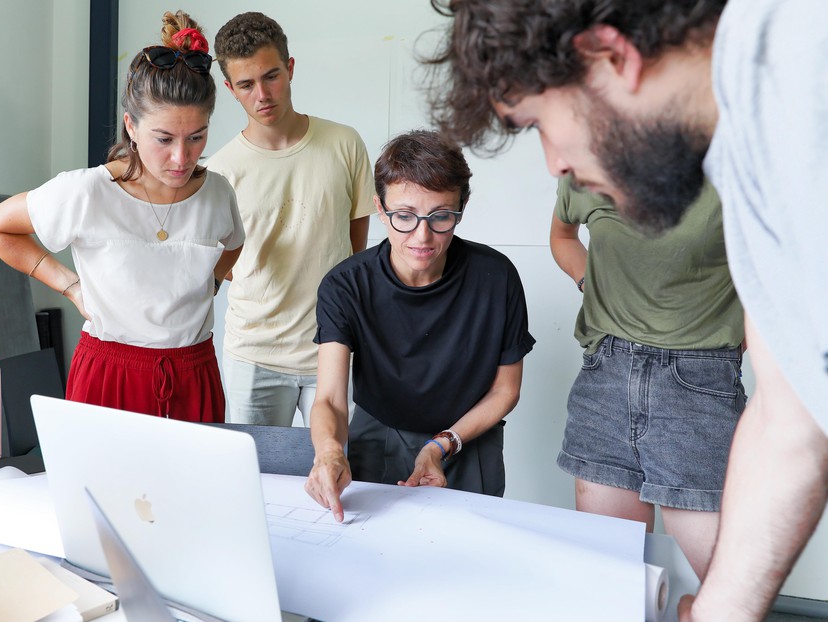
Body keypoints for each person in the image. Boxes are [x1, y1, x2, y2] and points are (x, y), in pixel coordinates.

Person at [430, 1, 828, 619]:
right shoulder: (746, 130)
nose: (554, 163)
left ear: (609, 56)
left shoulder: (803, 76)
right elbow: (792, 415)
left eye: (538, 123)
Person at [0, 10, 243, 423]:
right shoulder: (87, 191)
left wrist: (210, 282)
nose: (181, 157)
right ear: (131, 127)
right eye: (164, 139)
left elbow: (233, 243)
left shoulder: (217, 192)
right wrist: (69, 286)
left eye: (196, 137)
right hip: (110, 373)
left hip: (195, 373)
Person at [304, 130, 535, 522]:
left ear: (462, 207)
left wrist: (442, 444)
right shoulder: (346, 285)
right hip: (377, 434)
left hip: (468, 437)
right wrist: (329, 451)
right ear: (379, 208)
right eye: (405, 216)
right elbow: (329, 398)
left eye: (441, 216)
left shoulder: (496, 278)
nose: (422, 236)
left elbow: (505, 389)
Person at [551, 176, 744, 579]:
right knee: (610, 580)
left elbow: (784, 261)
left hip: (697, 388)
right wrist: (589, 282)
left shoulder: (733, 165)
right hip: (606, 378)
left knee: (725, 590)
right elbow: (563, 234)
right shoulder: (584, 164)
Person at [207, 12, 375, 427]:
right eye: (246, 85)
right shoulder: (222, 169)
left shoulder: (344, 143)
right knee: (257, 476)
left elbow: (355, 245)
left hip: (332, 347)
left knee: (336, 471)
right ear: (230, 89)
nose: (262, 94)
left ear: (291, 68)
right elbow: (222, 263)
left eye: (272, 76)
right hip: (254, 352)